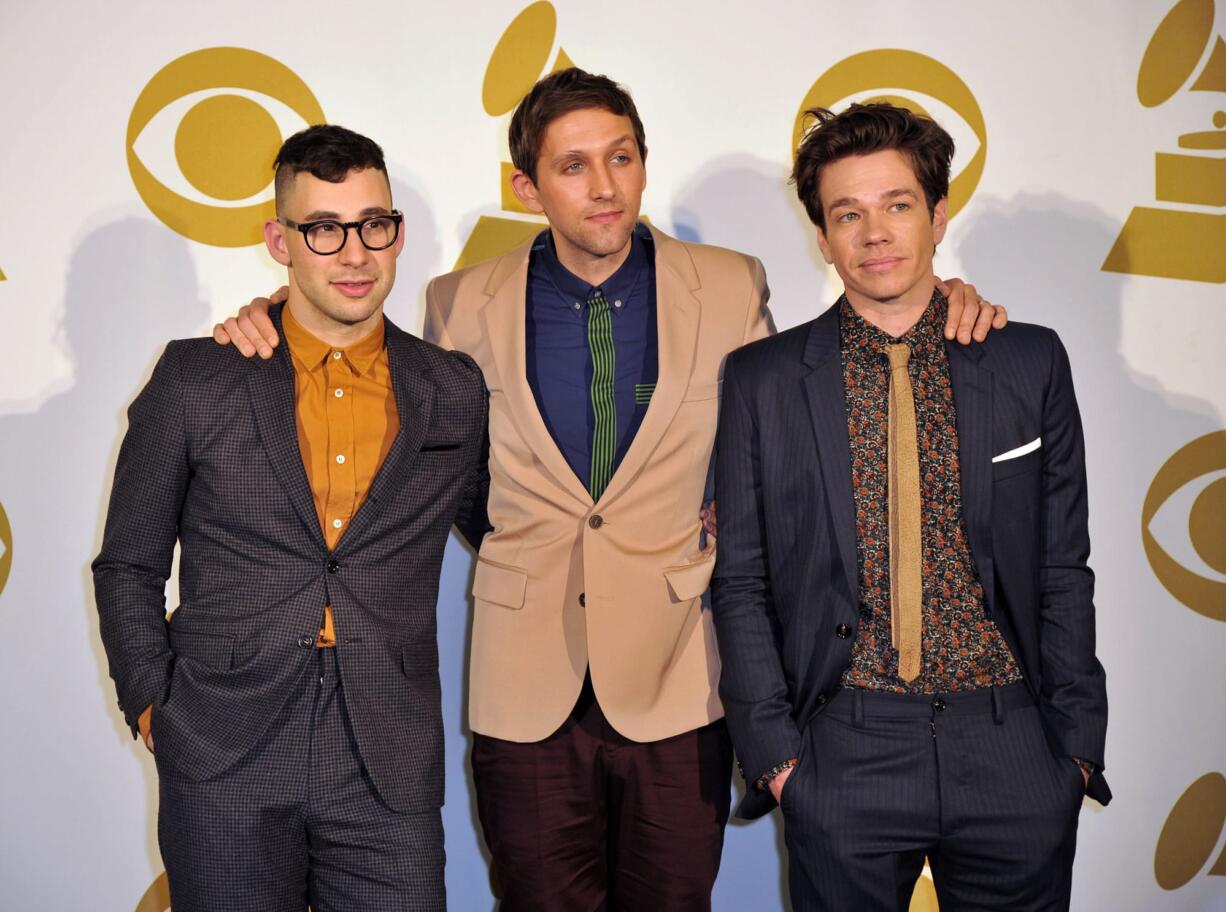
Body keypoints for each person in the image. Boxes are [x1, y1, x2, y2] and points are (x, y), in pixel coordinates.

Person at [214, 70, 1004, 910]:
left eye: (621, 158)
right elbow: (409, 423)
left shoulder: (731, 285)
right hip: (524, 688)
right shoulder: (458, 304)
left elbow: (799, 415)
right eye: (573, 166)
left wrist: (941, 300)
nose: (604, 187)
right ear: (526, 186)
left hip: (679, 678)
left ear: (644, 161)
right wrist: (269, 312)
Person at [710, 102, 1110, 912]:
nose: (873, 233)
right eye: (846, 213)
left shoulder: (1027, 360)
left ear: (938, 214)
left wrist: (1071, 749)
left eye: (896, 205)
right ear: (821, 237)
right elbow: (742, 581)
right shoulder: (763, 379)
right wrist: (780, 761)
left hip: (1012, 745)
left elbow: (1063, 565)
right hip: (843, 746)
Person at [93, 125, 489, 912]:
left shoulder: (452, 389)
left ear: (397, 232)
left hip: (388, 749)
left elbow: (509, 530)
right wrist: (153, 706)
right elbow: (128, 566)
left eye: (375, 225)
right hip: (224, 743)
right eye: (324, 229)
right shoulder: (198, 378)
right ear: (281, 240)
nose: (355, 253)